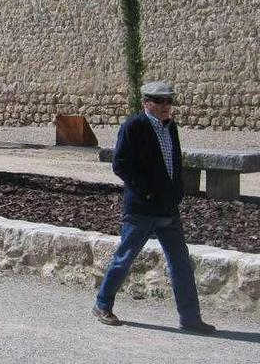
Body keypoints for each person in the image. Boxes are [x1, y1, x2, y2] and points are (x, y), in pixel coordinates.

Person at [92, 81, 215, 334]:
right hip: (141, 208)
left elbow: (175, 162)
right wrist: (146, 191)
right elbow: (121, 164)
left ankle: (190, 318)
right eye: (160, 101)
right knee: (124, 259)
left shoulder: (171, 128)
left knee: (181, 264)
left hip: (168, 209)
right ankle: (102, 304)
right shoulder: (133, 126)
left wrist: (177, 191)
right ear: (146, 102)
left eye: (169, 101)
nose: (165, 106)